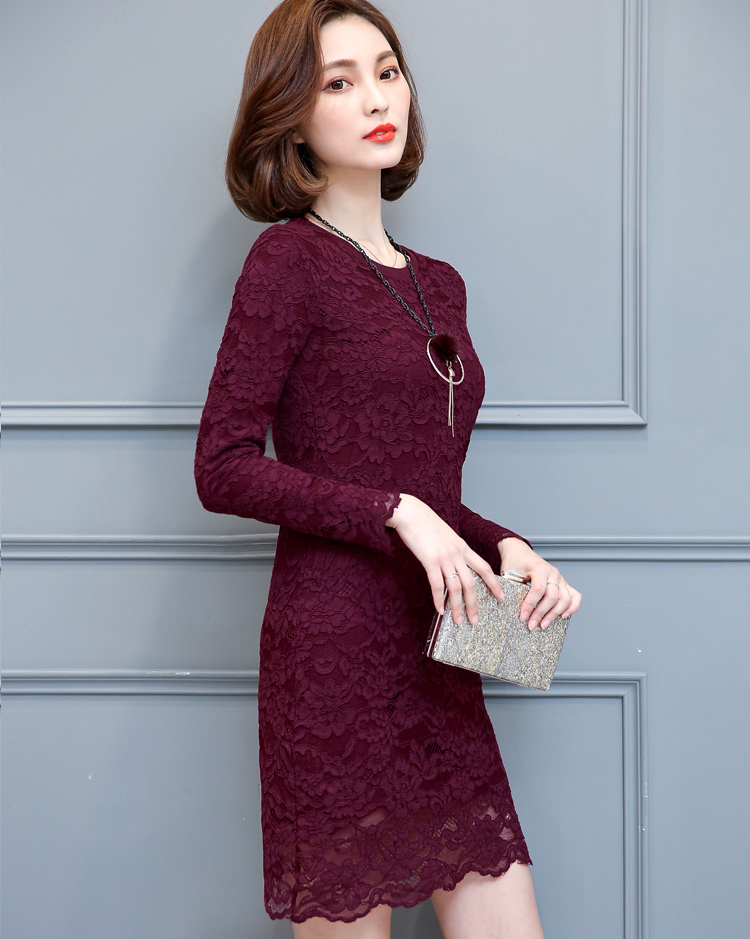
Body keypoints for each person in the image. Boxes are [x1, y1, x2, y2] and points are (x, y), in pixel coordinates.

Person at [194, 1, 582, 936]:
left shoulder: (440, 284)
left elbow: (428, 489)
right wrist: (397, 512)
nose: (377, 98)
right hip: (332, 656)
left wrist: (509, 544)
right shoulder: (285, 262)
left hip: (441, 652)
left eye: (388, 71)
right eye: (340, 82)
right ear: (293, 115)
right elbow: (222, 467)